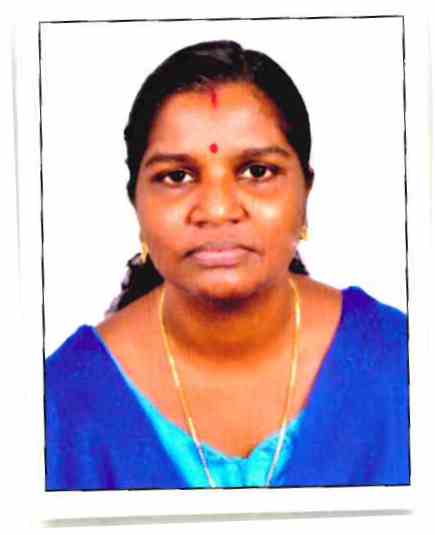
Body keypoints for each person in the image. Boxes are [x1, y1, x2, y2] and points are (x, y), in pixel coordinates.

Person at [45, 40, 410, 491]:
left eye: (257, 171)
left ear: (306, 194)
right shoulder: (58, 404)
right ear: (135, 201)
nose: (217, 211)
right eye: (177, 176)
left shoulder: (405, 365)